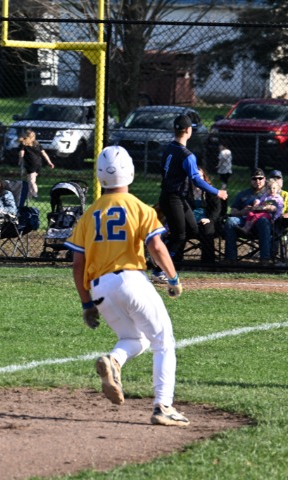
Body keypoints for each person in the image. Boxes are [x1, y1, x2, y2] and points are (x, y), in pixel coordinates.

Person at [64, 145, 189, 427]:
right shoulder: (139, 207)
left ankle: (114, 360)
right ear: (130, 171)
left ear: (100, 175)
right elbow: (156, 247)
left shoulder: (89, 214)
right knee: (164, 342)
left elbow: (77, 265)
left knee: (136, 339)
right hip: (130, 279)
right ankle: (163, 406)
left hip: (100, 288)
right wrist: (173, 279)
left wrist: (86, 303)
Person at [154, 114, 227, 280]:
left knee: (192, 229)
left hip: (172, 196)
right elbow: (197, 180)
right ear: (188, 130)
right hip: (173, 198)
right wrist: (217, 192)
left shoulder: (169, 148)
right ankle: (159, 269)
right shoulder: (187, 155)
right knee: (179, 235)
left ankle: (162, 249)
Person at [223, 168, 272, 265]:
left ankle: (265, 259)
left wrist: (259, 208)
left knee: (263, 221)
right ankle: (231, 259)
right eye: (254, 178)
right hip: (244, 221)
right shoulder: (243, 194)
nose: (257, 181)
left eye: (260, 178)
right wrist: (242, 211)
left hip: (260, 222)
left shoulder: (269, 193)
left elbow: (274, 208)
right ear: (250, 180)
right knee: (230, 221)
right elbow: (233, 211)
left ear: (264, 179)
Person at [185, 167, 222, 263]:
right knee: (179, 229)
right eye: (195, 176)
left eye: (200, 176)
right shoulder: (185, 191)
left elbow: (216, 209)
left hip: (206, 220)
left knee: (207, 228)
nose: (198, 179)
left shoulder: (211, 191)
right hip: (189, 220)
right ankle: (176, 261)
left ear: (204, 178)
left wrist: (210, 219)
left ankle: (207, 262)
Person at [18, 128, 54, 199]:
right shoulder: (37, 144)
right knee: (31, 179)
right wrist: (49, 162)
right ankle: (29, 195)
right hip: (38, 163)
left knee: (31, 180)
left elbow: (21, 153)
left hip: (30, 163)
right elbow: (44, 154)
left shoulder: (24, 144)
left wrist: (20, 160)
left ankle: (34, 194)